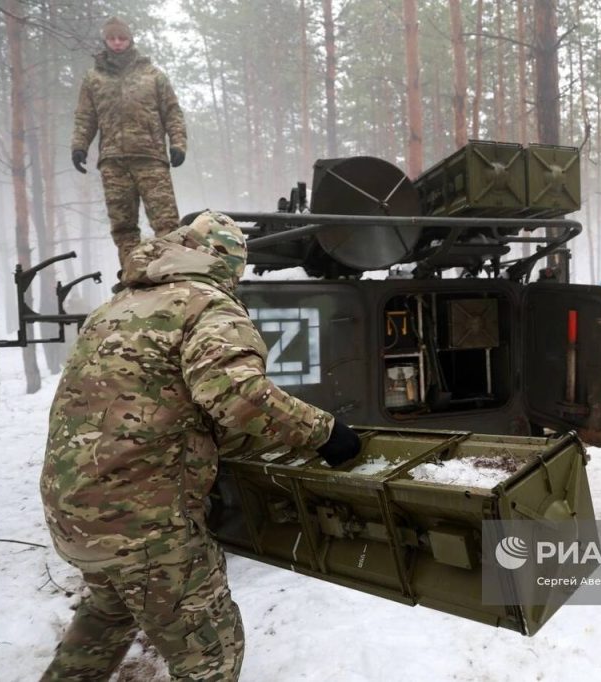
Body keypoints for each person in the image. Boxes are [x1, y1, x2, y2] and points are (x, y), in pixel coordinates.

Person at [39, 211, 362, 681]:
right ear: (228, 264)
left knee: (108, 616)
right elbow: (235, 393)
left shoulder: (113, 308)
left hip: (74, 512)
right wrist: (324, 432)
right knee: (210, 656)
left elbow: (148, 400)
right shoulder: (206, 305)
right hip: (144, 525)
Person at [71, 16, 187, 269]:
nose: (117, 43)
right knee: (123, 226)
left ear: (130, 40)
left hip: (150, 158)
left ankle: (172, 271)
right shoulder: (94, 79)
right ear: (105, 40)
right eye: (112, 38)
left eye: (122, 38)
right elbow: (86, 116)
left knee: (166, 221)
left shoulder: (153, 75)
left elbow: (172, 112)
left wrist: (178, 143)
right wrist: (79, 146)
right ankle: (132, 273)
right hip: (113, 162)